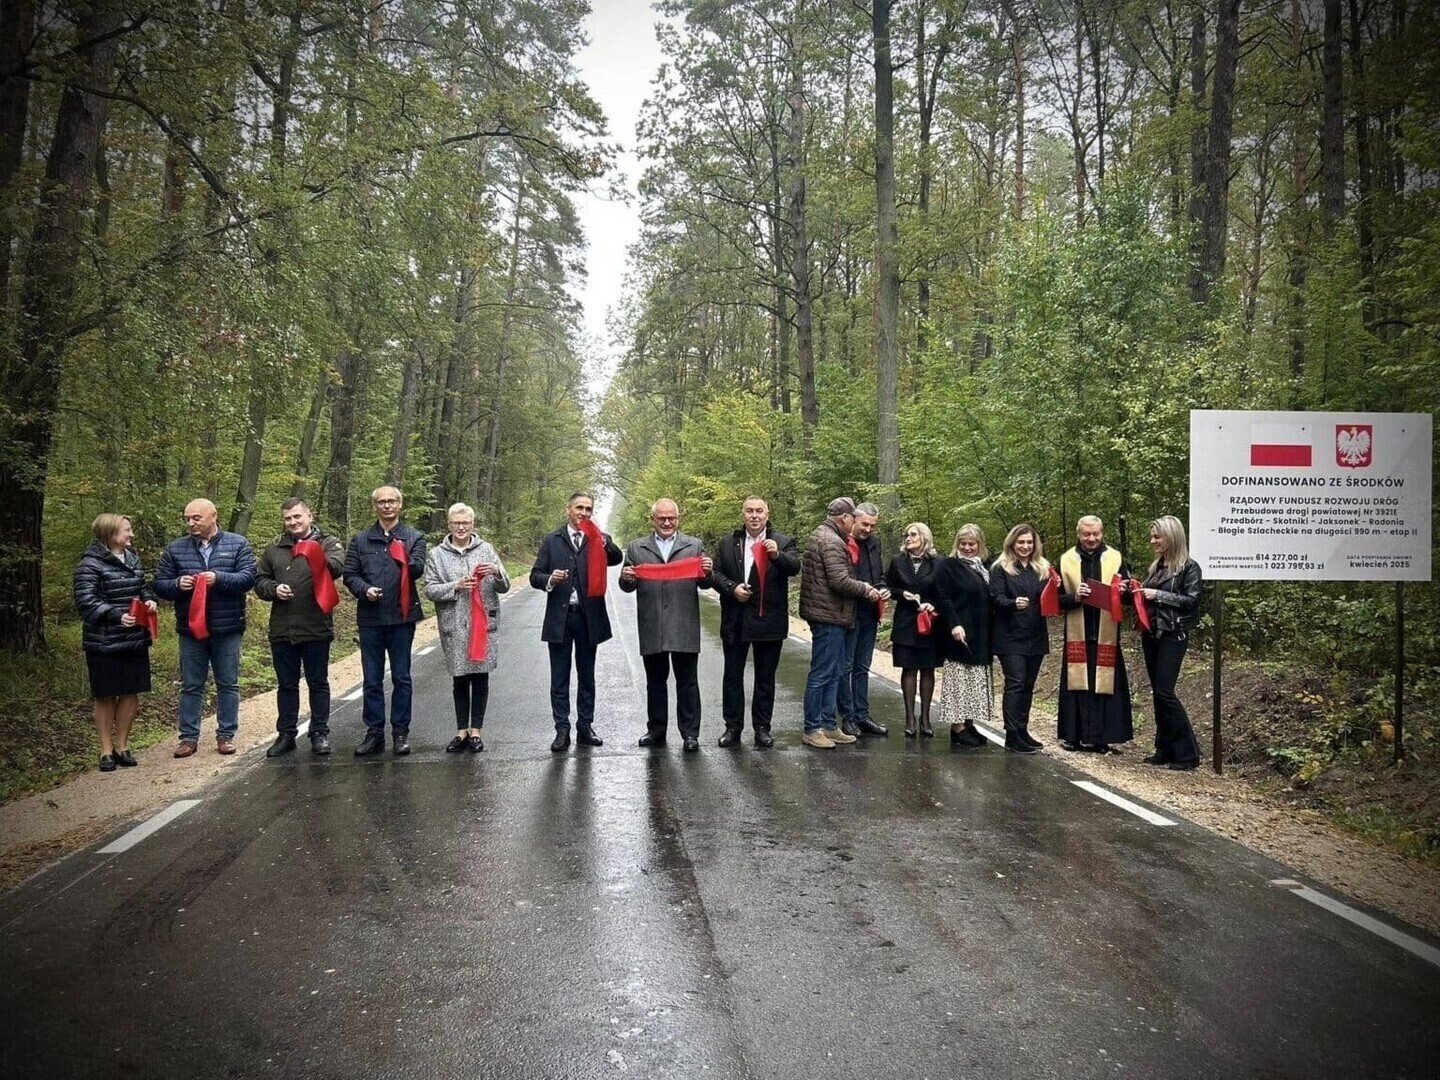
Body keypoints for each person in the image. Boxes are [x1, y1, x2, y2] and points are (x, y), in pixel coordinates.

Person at [154, 499, 257, 757]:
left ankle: (226, 736)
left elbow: (248, 578)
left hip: (227, 627)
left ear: (213, 516)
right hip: (190, 629)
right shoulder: (176, 548)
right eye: (187, 519)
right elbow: (159, 584)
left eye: (196, 518)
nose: (191, 523)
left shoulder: (237, 544)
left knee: (228, 683)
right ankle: (188, 738)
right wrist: (177, 584)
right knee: (191, 685)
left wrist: (218, 578)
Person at [530, 491, 623, 752]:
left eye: (588, 509)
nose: (584, 513)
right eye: (579, 508)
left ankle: (585, 726)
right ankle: (562, 729)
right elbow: (535, 576)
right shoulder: (552, 540)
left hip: (588, 617)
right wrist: (550, 579)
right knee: (559, 677)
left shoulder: (597, 537)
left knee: (587, 675)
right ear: (568, 510)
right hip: (560, 617)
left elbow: (617, 558)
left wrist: (604, 542)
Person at [619, 498, 713, 751]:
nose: (667, 522)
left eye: (671, 518)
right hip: (652, 624)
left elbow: (705, 583)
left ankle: (690, 734)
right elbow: (626, 586)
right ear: (653, 520)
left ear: (678, 519)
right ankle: (656, 730)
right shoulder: (636, 547)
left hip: (684, 623)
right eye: (662, 518)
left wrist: (707, 571)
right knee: (655, 682)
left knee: (688, 682)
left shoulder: (694, 545)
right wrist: (626, 577)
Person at [254, 497, 346, 757]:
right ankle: (286, 734)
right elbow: (259, 580)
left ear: (309, 516)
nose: (293, 522)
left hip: (316, 625)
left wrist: (313, 551)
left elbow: (337, 567)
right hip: (282, 628)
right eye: (288, 518)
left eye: (297, 517)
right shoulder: (274, 548)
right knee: (286, 685)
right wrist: (274, 589)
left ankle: (319, 733)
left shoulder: (328, 543)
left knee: (318, 682)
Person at [710, 497, 801, 749]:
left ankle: (762, 728)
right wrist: (731, 588)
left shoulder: (783, 541)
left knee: (765, 678)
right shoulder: (727, 543)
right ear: (743, 514)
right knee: (732, 676)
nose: (754, 515)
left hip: (769, 620)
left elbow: (795, 567)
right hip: (735, 619)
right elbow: (714, 574)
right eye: (749, 511)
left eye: (759, 511)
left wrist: (777, 555)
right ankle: (733, 727)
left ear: (767, 514)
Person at [342, 485, 426, 756]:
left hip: (402, 616)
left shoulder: (414, 537)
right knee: (372, 678)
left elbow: (417, 568)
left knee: (402, 677)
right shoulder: (360, 540)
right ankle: (374, 732)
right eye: (381, 502)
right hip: (371, 617)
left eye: (391, 501)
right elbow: (349, 574)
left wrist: (405, 558)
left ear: (400, 505)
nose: (387, 506)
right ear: (375, 506)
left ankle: (400, 732)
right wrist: (364, 589)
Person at [798, 497, 885, 749]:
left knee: (834, 672)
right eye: (854, 518)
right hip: (828, 615)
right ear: (845, 517)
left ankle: (828, 724)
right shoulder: (832, 541)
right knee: (822, 673)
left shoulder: (824, 536)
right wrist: (866, 588)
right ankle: (812, 728)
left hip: (832, 614)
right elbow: (839, 580)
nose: (855, 523)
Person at [424, 503, 510, 754]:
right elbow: (430, 589)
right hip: (454, 626)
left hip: (483, 626)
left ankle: (476, 731)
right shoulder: (437, 554)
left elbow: (504, 586)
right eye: (456, 523)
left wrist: (497, 572)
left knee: (480, 677)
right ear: (449, 525)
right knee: (459, 678)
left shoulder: (486, 549)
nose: (461, 527)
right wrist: (455, 585)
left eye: (465, 523)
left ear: (473, 525)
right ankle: (461, 730)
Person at [73, 514, 156, 772]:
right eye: (126, 530)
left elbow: (142, 588)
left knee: (131, 692)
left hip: (134, 639)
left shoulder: (133, 558)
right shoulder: (89, 564)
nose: (131, 534)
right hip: (104, 641)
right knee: (106, 695)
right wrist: (116, 615)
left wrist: (150, 600)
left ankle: (122, 746)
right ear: (110, 534)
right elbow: (86, 602)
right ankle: (105, 750)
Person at [1056, 515, 1133, 754]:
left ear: (1102, 533)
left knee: (1104, 686)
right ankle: (1073, 737)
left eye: (1096, 534)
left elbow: (1130, 597)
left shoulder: (1116, 558)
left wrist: (1123, 591)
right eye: (1086, 534)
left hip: (1106, 634)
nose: (1091, 539)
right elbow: (1054, 600)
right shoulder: (1066, 560)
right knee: (1077, 685)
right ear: (1078, 534)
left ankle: (1102, 739)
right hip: (1077, 632)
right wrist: (1074, 596)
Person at [1136, 515, 1202, 770]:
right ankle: (1164, 749)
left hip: (1173, 635)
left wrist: (1158, 595)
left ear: (1171, 537)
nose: (1153, 541)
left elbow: (1192, 601)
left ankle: (1188, 753)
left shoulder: (1189, 567)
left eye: (1157, 537)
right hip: (1152, 634)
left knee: (1165, 692)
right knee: (1158, 693)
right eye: (1152, 537)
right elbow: (1147, 598)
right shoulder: (1157, 567)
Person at [989, 523, 1050, 754]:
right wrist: (1012, 603)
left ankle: (1023, 730)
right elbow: (995, 598)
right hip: (1010, 635)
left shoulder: (1042, 568)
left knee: (1028, 685)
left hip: (1036, 634)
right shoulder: (1001, 568)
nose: (1025, 546)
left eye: (1029, 542)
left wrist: (1073, 596)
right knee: (1015, 682)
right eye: (1021, 542)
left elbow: (1053, 598)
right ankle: (1012, 734)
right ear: (1012, 543)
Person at [933, 524, 995, 748]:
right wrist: (954, 624)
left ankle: (969, 723)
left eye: (972, 544)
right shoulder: (948, 566)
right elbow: (943, 597)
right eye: (963, 544)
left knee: (975, 681)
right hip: (960, 631)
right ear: (957, 544)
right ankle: (957, 727)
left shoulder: (985, 566)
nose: (967, 548)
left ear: (980, 545)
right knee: (960, 680)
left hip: (982, 632)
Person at [837, 501, 889, 737]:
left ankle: (862, 714)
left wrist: (883, 588)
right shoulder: (842, 542)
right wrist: (865, 590)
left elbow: (879, 575)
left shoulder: (874, 544)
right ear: (853, 519)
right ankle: (847, 717)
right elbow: (841, 579)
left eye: (872, 525)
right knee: (846, 666)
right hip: (849, 612)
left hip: (870, 612)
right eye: (864, 524)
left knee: (862, 667)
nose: (868, 529)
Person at [884, 523, 941, 738]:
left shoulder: (938, 562)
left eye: (913, 535)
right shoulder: (897, 561)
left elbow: (945, 591)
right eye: (906, 535)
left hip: (930, 623)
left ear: (924, 537)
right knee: (908, 669)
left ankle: (925, 717)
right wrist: (901, 594)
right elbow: (887, 586)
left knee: (928, 670)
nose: (908, 538)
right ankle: (909, 717)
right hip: (905, 621)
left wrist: (932, 604)